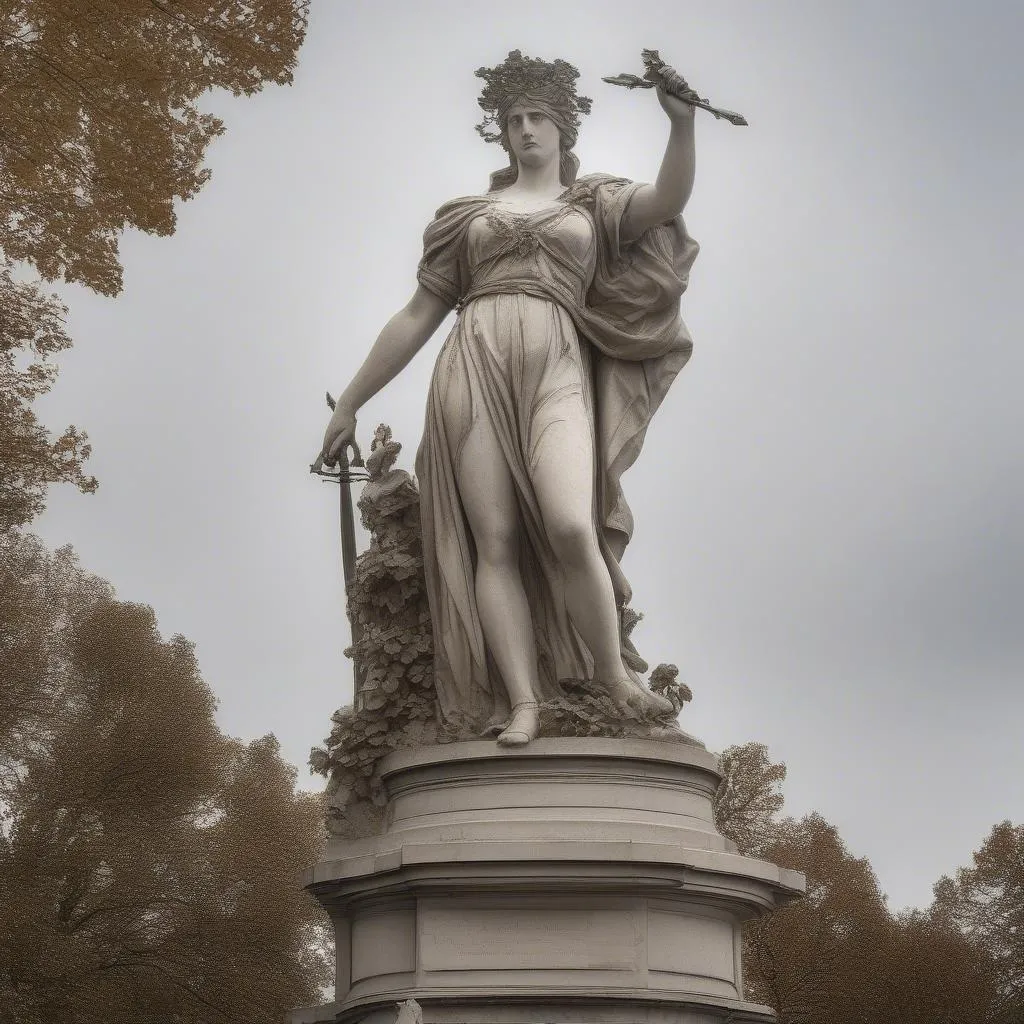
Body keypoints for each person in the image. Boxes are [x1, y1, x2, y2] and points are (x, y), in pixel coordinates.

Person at [315, 51, 700, 746]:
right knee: (491, 542)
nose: (524, 130)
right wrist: (349, 401)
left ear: (563, 130)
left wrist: (682, 126)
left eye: (537, 119)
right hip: (472, 365)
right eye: (513, 120)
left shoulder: (595, 205)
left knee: (570, 524)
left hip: (556, 364)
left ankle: (612, 676)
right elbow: (415, 316)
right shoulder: (467, 217)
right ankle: (522, 700)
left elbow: (668, 201)